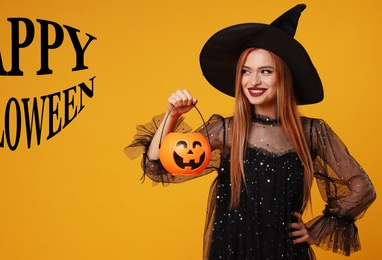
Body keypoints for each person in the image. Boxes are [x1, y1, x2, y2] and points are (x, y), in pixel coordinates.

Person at [124, 4, 375, 260]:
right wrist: (172, 115)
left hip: (286, 251)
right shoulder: (227, 130)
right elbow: (156, 168)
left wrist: (315, 231)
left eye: (265, 71)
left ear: (284, 77)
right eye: (246, 71)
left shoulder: (312, 132)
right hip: (232, 249)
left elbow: (363, 187)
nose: (253, 82)